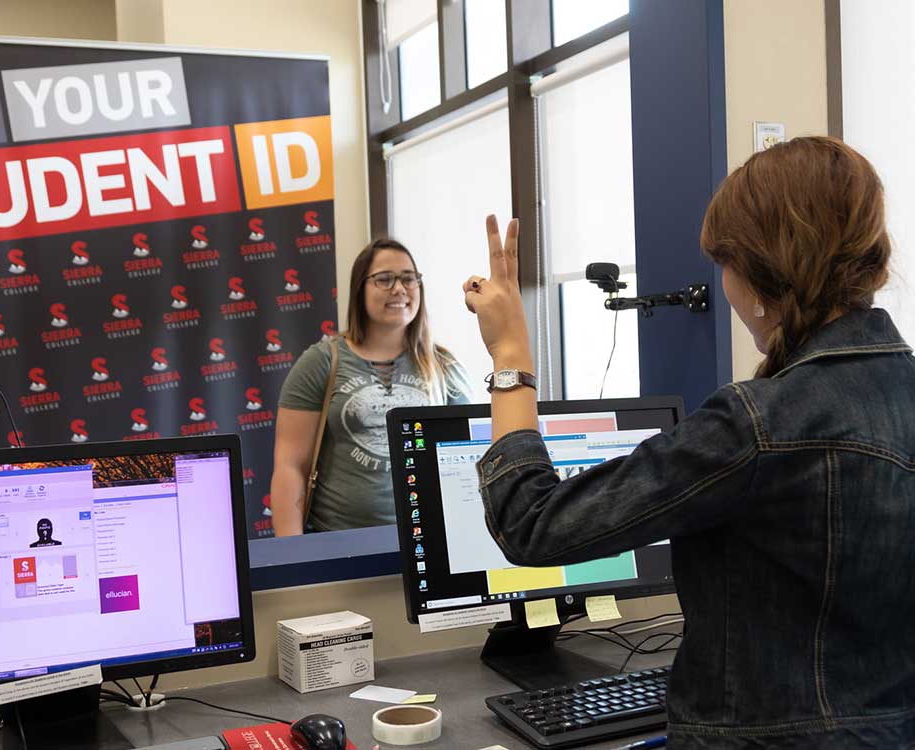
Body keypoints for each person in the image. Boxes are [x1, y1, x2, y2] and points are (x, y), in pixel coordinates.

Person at [462, 137, 915, 747]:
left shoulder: (757, 424)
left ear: (763, 269)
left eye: (726, 264)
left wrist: (511, 356)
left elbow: (533, 521)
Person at [272, 238, 473, 535]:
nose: (399, 288)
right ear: (359, 290)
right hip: (339, 545)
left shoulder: (444, 366)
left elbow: (470, 461)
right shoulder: (322, 362)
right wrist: (292, 555)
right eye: (384, 279)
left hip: (429, 542)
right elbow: (291, 466)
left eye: (408, 278)